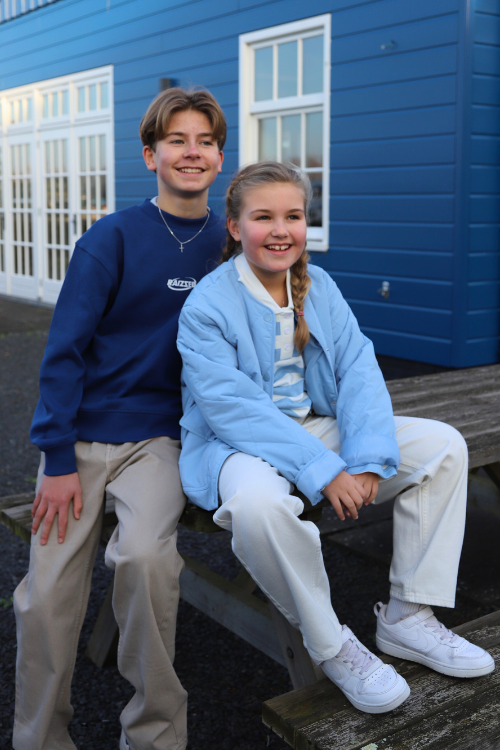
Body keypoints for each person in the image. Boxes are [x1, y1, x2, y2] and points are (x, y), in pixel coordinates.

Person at [176, 161, 495, 715]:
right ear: (234, 226)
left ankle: (408, 616)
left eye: (294, 216)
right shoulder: (207, 304)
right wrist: (326, 470)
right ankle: (332, 646)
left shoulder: (318, 286)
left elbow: (358, 370)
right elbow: (233, 409)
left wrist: (366, 458)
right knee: (257, 506)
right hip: (236, 445)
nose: (281, 230)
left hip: (311, 427)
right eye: (263, 217)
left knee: (443, 446)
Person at [14, 87, 226, 750]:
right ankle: (40, 738)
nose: (191, 152)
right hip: (79, 437)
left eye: (205, 142)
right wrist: (55, 459)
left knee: (145, 560)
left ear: (220, 158)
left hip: (159, 437)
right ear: (150, 155)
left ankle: (154, 735)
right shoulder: (110, 238)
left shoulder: (229, 242)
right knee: (46, 595)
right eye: (176, 140)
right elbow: (64, 351)